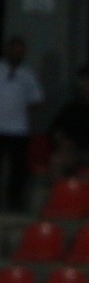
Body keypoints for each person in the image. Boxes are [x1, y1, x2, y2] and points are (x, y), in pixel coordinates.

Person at [0, 36, 44, 213]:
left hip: (19, 129)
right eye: (14, 50)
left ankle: (14, 202)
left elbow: (36, 99)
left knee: (18, 169)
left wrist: (19, 110)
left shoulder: (28, 74)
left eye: (20, 51)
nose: (17, 53)